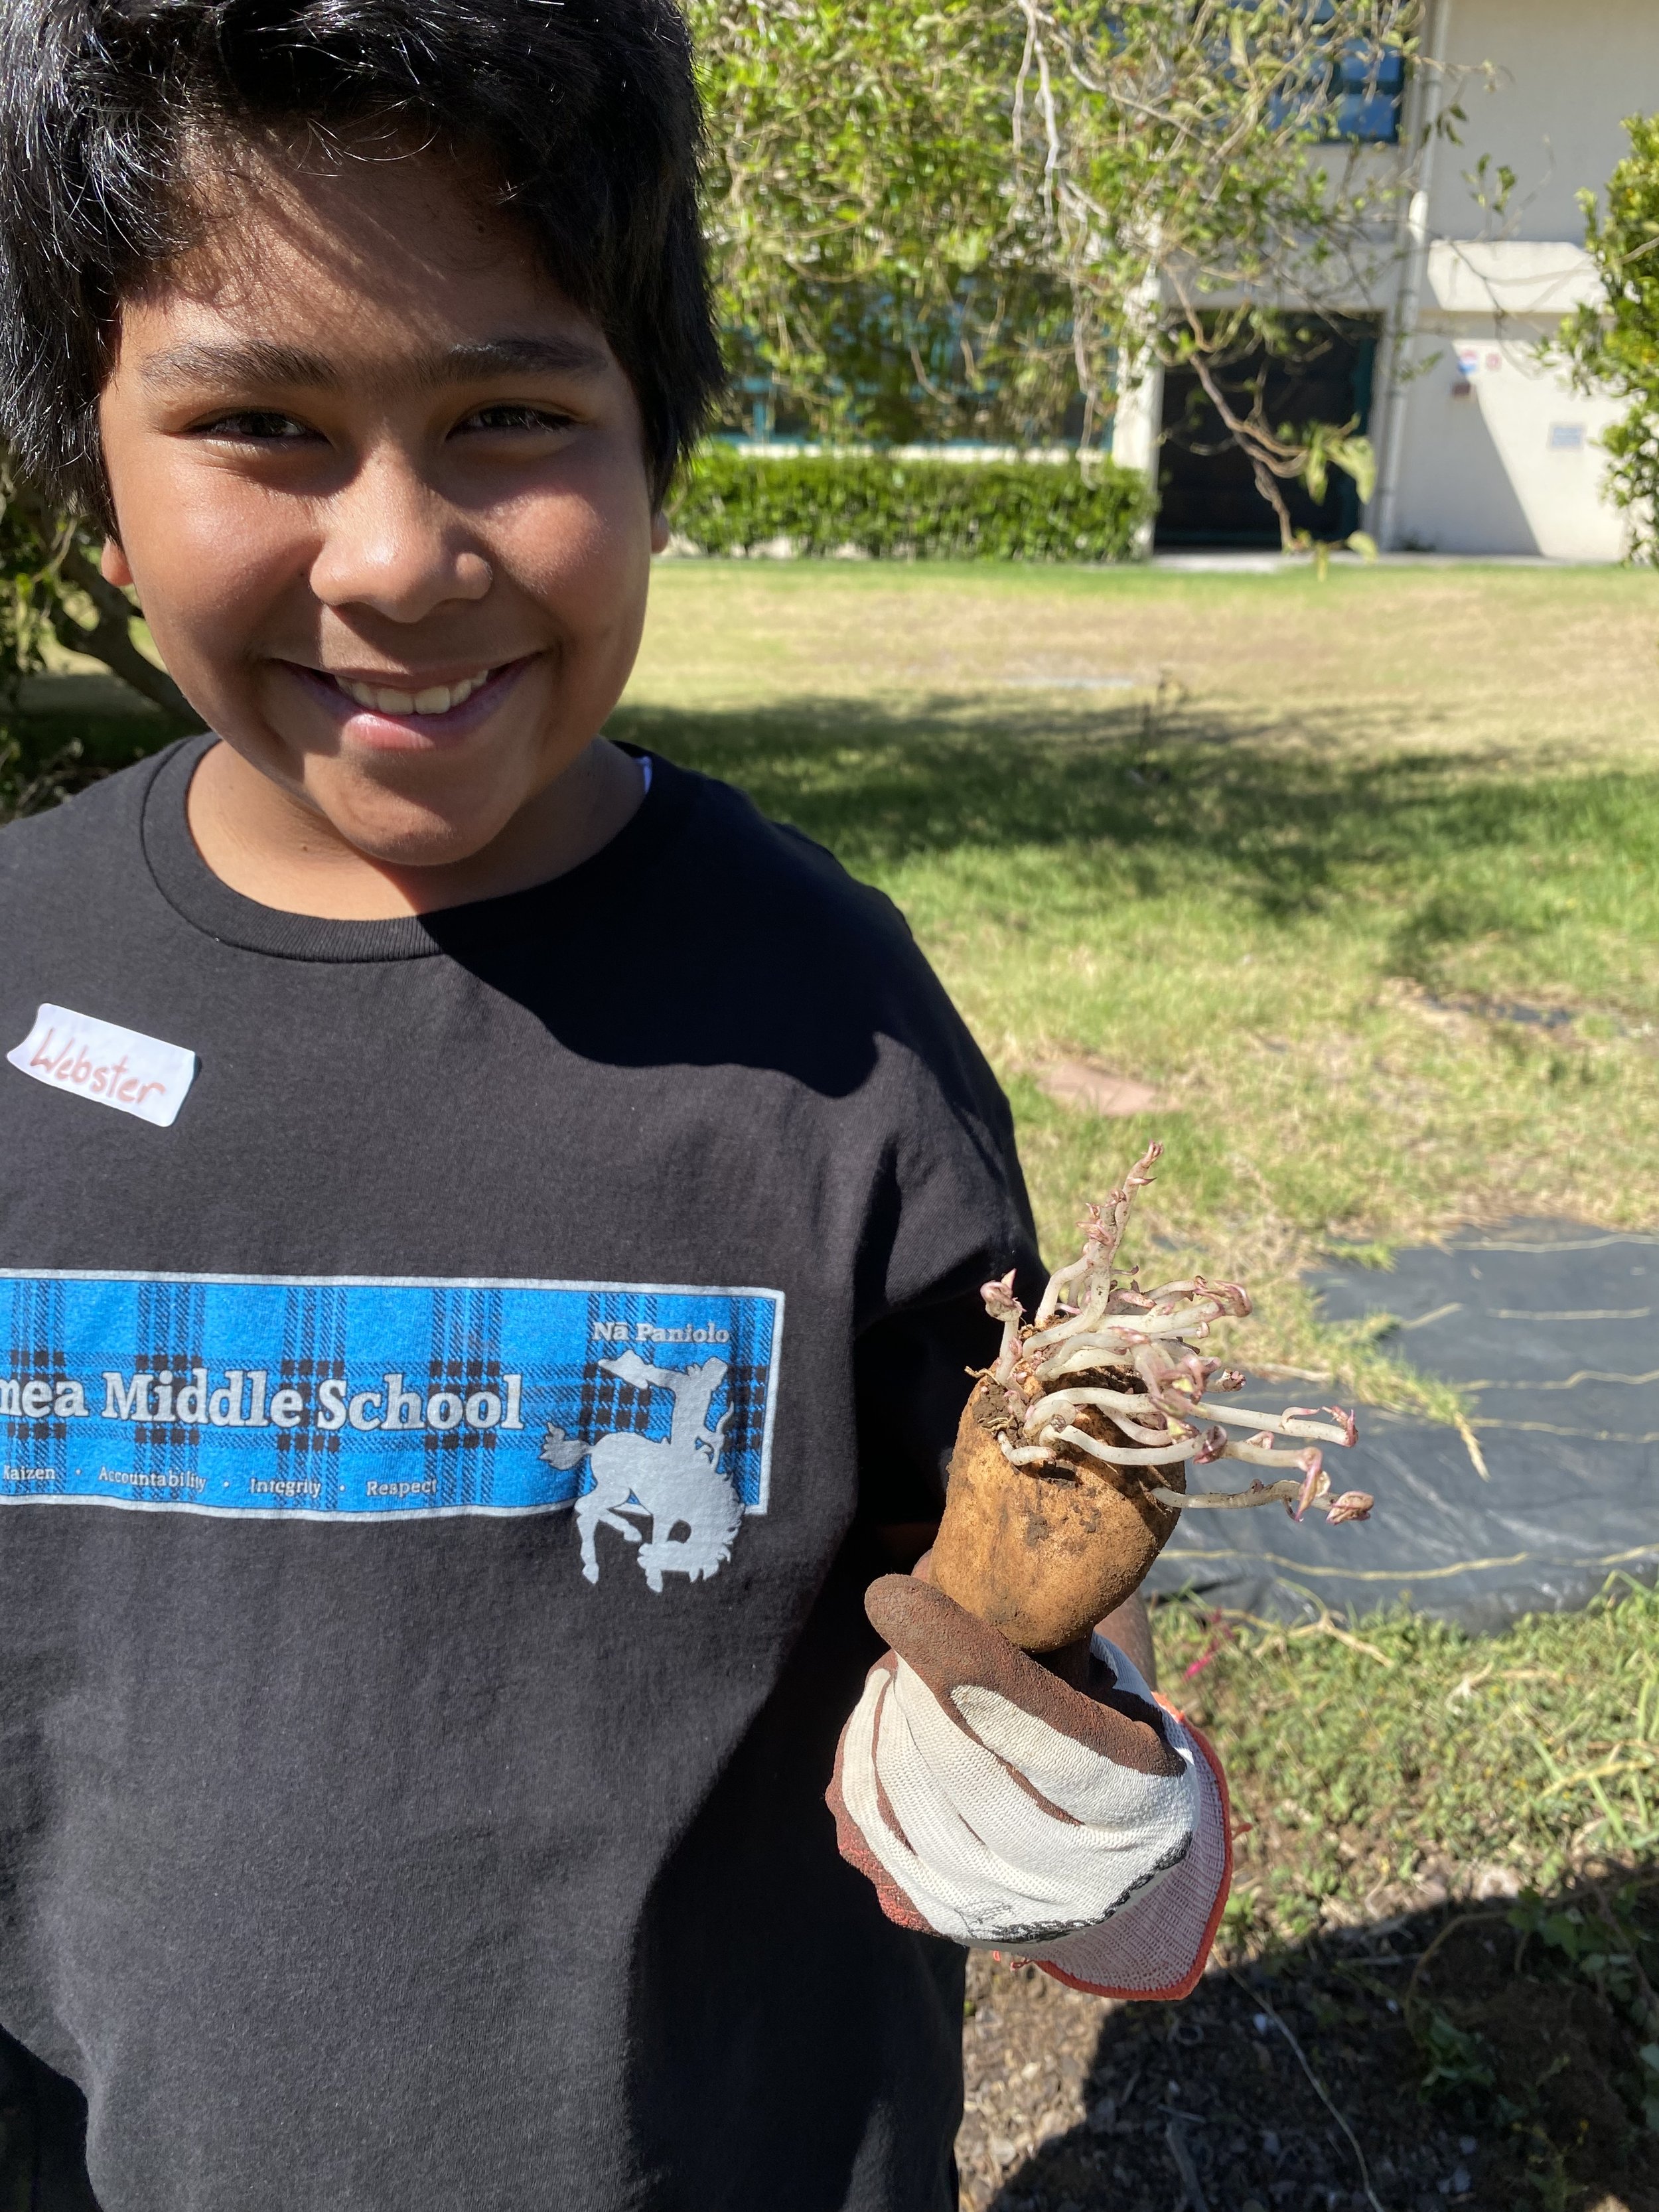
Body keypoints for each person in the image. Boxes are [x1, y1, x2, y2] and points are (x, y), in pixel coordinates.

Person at [0, 5, 1229, 2207]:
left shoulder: (827, 1024)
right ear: (87, 470)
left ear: (659, 441)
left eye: (504, 414)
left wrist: (1099, 1812)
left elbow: (1027, 1599)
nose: (392, 560)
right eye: (262, 421)